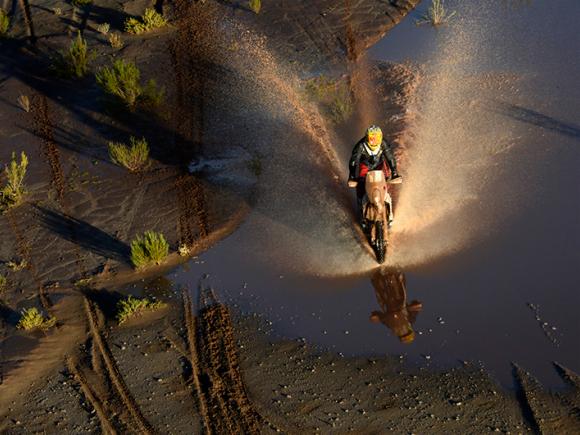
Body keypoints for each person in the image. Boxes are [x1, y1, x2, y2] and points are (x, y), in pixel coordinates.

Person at [347, 125, 399, 225]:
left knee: (387, 180)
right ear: (367, 137)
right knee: (361, 184)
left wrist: (394, 172)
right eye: (371, 138)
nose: (374, 141)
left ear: (381, 137)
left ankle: (389, 208)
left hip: (380, 165)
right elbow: (353, 161)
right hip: (365, 167)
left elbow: (390, 157)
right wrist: (352, 176)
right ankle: (361, 210)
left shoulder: (383, 143)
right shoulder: (361, 145)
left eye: (377, 138)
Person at [369, 269, 422, 344]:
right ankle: (377, 272)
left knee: (399, 278)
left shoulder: (410, 320)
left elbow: (379, 317)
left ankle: (393, 269)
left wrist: (415, 306)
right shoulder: (391, 326)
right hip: (388, 300)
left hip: (394, 299)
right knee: (381, 284)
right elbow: (379, 317)